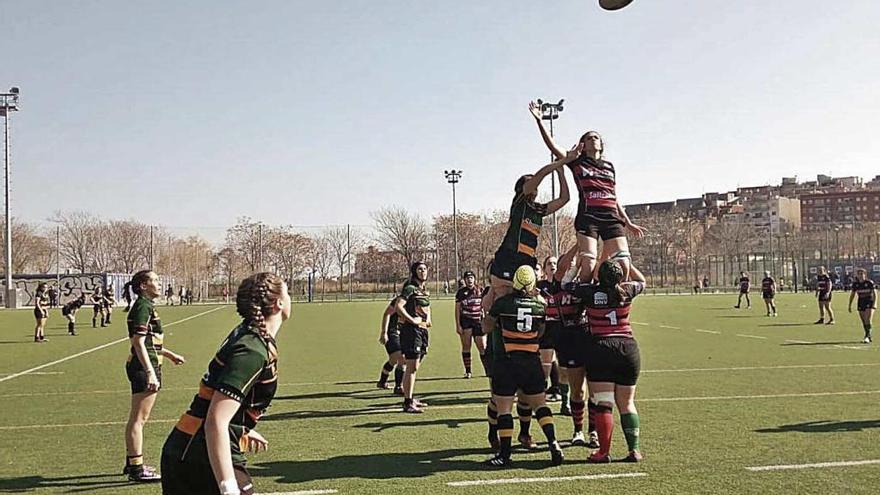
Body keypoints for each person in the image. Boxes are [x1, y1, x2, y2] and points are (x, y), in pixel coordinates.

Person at [160, 272, 290, 495]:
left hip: (192, 448)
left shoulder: (251, 336)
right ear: (278, 303)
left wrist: (240, 428)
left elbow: (218, 398)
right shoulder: (252, 350)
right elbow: (215, 420)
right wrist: (228, 487)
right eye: (288, 293)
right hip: (198, 455)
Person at [529, 101, 646, 281]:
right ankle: (583, 303)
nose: (593, 139)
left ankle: (612, 302)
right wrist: (539, 122)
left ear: (601, 144)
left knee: (624, 265)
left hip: (611, 218)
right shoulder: (576, 161)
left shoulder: (609, 167)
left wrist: (628, 223)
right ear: (582, 144)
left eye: (596, 137)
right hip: (588, 217)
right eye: (589, 137)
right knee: (588, 265)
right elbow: (553, 147)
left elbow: (613, 197)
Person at [481, 147, 578, 352]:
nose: (535, 183)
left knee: (528, 301)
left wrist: (561, 170)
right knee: (501, 300)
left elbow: (564, 198)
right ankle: (497, 350)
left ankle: (525, 348)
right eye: (530, 180)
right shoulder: (520, 203)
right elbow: (542, 174)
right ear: (523, 187)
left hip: (526, 262)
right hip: (508, 259)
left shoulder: (538, 209)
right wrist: (561, 161)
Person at [485, 265, 564, 468]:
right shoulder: (540, 306)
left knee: (504, 409)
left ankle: (504, 454)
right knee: (540, 405)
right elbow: (541, 331)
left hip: (508, 362)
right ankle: (553, 444)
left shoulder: (503, 303)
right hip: (531, 362)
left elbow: (486, 326)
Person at [568, 260, 647, 463]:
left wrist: (584, 267)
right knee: (627, 403)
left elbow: (566, 284)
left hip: (601, 348)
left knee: (604, 403)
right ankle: (634, 449)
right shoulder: (627, 290)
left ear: (599, 276)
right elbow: (642, 281)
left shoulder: (590, 292)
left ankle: (603, 452)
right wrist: (627, 262)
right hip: (628, 348)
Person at [124, 270, 186, 483]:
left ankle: (132, 460)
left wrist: (169, 355)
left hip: (147, 364)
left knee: (139, 418)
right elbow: (138, 342)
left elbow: (149, 342)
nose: (160, 284)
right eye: (155, 280)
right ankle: (136, 469)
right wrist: (150, 372)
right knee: (138, 419)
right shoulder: (143, 306)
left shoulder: (146, 306)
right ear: (143, 285)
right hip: (144, 368)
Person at [552, 246, 599, 448]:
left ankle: (593, 431)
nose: (572, 265)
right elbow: (563, 265)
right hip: (569, 340)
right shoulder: (558, 285)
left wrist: (589, 253)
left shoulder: (585, 284)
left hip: (590, 338)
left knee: (595, 391)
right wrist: (579, 247)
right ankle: (578, 430)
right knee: (578, 390)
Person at [396, 261, 432, 413]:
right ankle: (407, 402)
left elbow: (426, 307)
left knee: (414, 366)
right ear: (414, 271)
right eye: (420, 269)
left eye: (424, 269)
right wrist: (411, 320)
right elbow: (399, 306)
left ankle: (409, 397)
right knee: (412, 366)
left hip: (422, 331)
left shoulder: (423, 290)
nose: (423, 271)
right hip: (412, 331)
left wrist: (429, 318)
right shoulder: (410, 288)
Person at [455, 270, 487, 378]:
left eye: (471, 278)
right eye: (467, 278)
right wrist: (458, 325)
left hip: (478, 321)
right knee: (466, 346)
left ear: (474, 279)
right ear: (464, 280)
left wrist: (485, 319)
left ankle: (487, 370)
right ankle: (468, 371)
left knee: (482, 346)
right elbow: (457, 309)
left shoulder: (480, 290)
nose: (469, 280)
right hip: (466, 322)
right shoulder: (461, 293)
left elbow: (485, 305)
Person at [377, 297, 406, 395]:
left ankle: (382, 381)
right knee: (401, 357)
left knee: (393, 359)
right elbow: (387, 314)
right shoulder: (399, 300)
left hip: (404, 332)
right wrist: (384, 332)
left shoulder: (416, 299)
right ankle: (399, 386)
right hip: (392, 332)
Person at [848, 268, 876, 343]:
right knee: (864, 321)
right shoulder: (856, 284)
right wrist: (850, 305)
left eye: (862, 274)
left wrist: (874, 303)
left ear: (865, 274)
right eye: (859, 274)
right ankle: (868, 335)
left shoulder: (869, 282)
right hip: (861, 302)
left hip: (869, 302)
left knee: (867, 319)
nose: (860, 275)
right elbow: (852, 295)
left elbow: (874, 293)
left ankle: (867, 336)